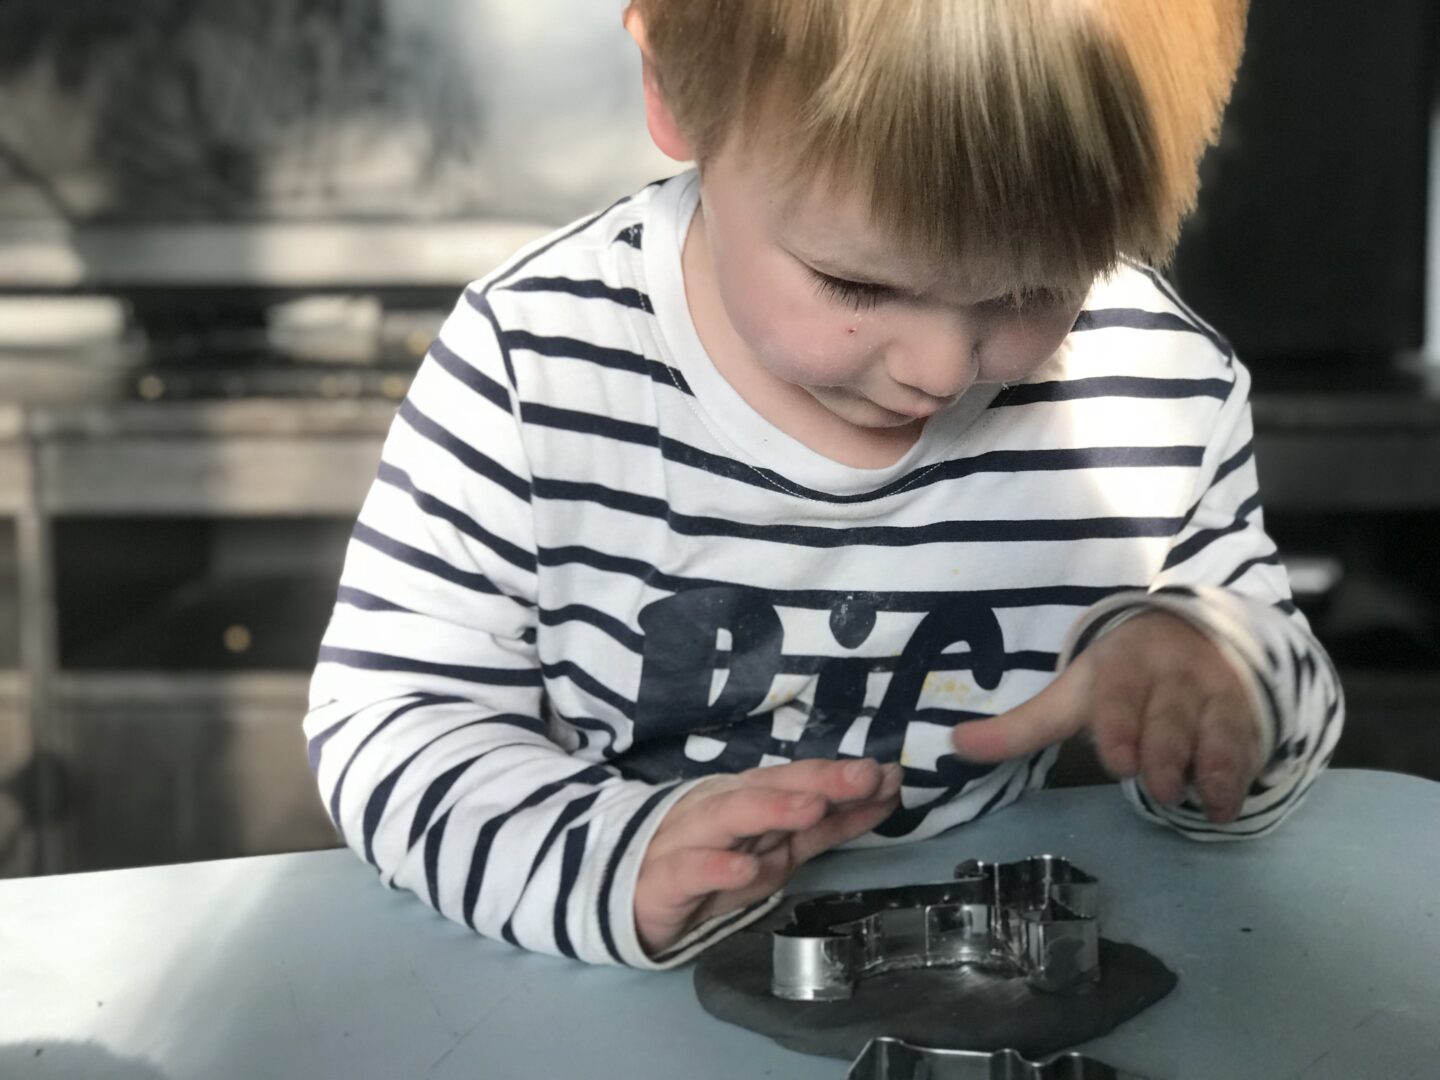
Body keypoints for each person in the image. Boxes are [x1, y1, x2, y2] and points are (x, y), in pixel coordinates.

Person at [305, 0, 1342, 968]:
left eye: (1034, 289)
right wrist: (609, 857)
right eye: (859, 285)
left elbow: (1267, 727)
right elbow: (393, 720)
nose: (940, 371)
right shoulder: (535, 364)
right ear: (670, 83)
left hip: (974, 979)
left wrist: (1221, 684)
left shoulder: (1157, 388)